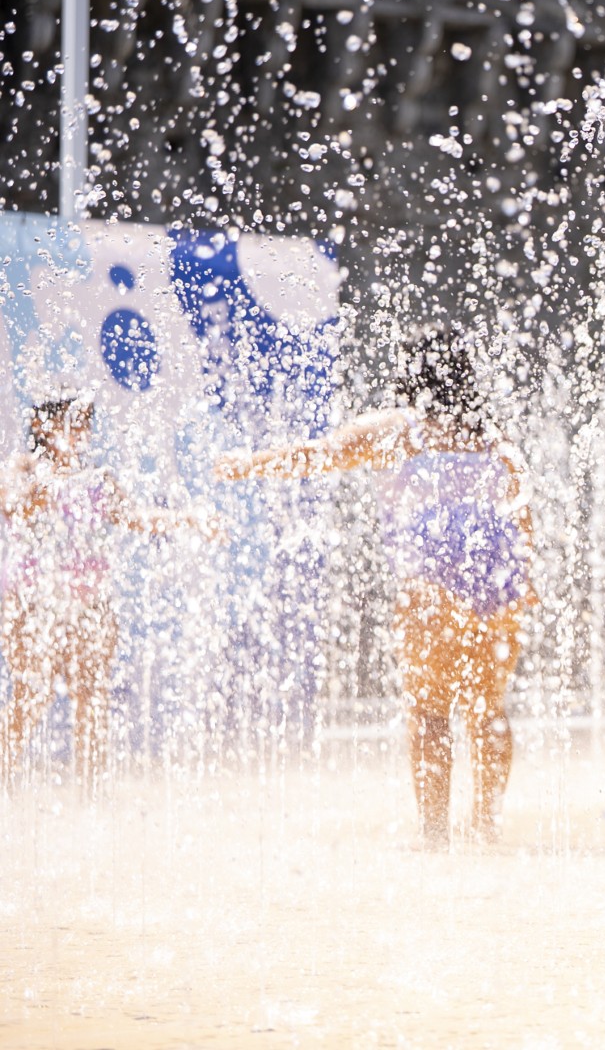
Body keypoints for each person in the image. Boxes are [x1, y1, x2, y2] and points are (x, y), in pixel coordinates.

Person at [216, 327, 537, 849]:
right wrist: (527, 582)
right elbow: (521, 513)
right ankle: (486, 828)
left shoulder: (397, 430)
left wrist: (249, 465)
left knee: (431, 712)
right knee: (489, 710)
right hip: (497, 590)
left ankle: (434, 836)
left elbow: (317, 455)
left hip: (429, 592)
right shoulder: (492, 439)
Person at [1, 396, 213, 793]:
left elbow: (137, 518)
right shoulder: (22, 470)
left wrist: (188, 519)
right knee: (32, 693)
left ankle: (91, 794)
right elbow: (13, 507)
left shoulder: (97, 479)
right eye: (72, 422)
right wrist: (47, 484)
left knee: (93, 696)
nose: (81, 433)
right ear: (45, 427)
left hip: (90, 602)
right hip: (32, 601)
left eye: (84, 424)